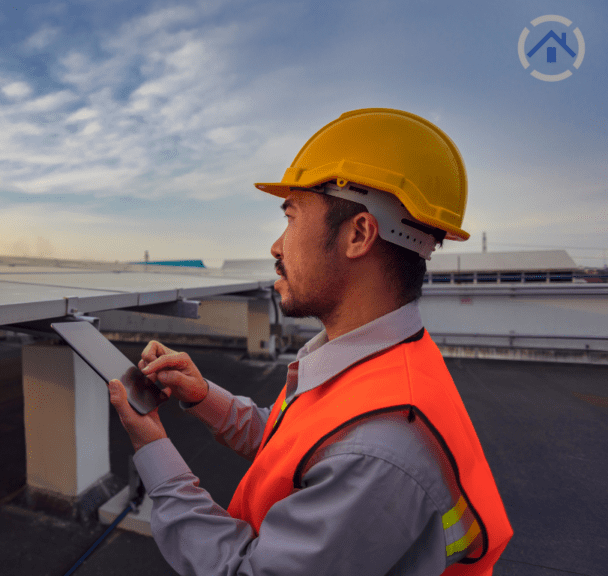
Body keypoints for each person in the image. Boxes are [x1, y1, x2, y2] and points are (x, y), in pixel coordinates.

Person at [107, 108, 513, 575]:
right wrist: (203, 398)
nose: (277, 246)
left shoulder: (382, 446)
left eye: (292, 217)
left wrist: (153, 448)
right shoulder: (377, 363)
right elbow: (292, 448)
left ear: (358, 233)